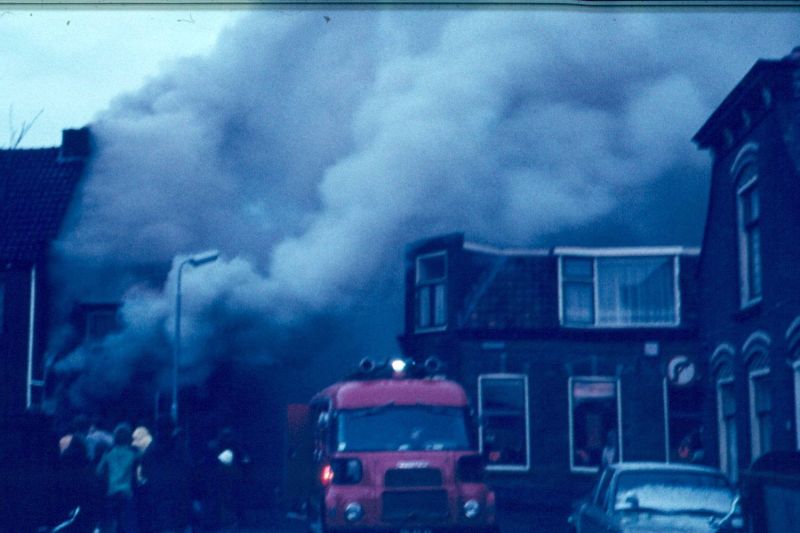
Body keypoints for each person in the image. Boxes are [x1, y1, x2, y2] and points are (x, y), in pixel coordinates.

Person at [96, 422, 140, 533]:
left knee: (112, 526)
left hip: (111, 492)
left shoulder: (109, 453)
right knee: (129, 526)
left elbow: (99, 471)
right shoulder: (134, 453)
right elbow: (140, 473)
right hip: (128, 493)